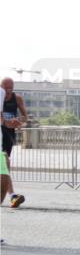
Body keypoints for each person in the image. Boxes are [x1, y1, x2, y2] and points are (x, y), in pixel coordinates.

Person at [1, 77, 28, 208]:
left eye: (10, 88)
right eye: (5, 88)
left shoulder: (17, 99)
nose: (8, 90)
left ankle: (12, 196)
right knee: (4, 162)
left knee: (4, 163)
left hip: (7, 134)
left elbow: (25, 116)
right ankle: (12, 195)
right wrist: (6, 122)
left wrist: (19, 120)